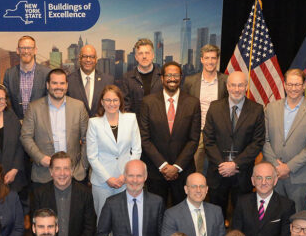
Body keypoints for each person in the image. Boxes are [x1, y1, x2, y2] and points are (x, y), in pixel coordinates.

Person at [138, 61, 201, 205]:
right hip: (156, 171)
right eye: (169, 75)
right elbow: (145, 138)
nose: (172, 78)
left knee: (183, 213)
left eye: (176, 75)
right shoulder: (148, 102)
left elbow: (193, 140)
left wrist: (177, 167)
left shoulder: (193, 103)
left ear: (181, 77)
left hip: (183, 170)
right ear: (162, 78)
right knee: (156, 214)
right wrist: (163, 166)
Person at [262, 69, 306, 212]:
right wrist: (276, 166)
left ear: (304, 86)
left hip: (299, 176)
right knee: (272, 216)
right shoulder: (271, 108)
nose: (293, 88)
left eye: (297, 85)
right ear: (284, 85)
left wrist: (288, 167)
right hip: (272, 173)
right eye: (290, 84)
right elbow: (264, 140)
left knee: (297, 218)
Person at [203, 71, 265, 213]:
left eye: (240, 85)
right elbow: (208, 140)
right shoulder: (214, 107)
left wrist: (235, 164)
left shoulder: (257, 110)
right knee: (216, 216)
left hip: (242, 174)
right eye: (233, 85)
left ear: (246, 87)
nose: (236, 89)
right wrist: (222, 165)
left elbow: (257, 142)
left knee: (242, 217)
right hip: (218, 172)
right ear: (227, 86)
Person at [21, 68, 89, 188]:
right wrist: (40, 158)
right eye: (54, 83)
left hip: (74, 173)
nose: (59, 86)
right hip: (44, 173)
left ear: (67, 85)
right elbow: (25, 137)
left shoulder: (78, 107)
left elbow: (87, 138)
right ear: (47, 85)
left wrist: (83, 166)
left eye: (62, 83)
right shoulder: (34, 108)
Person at [97, 160, 164, 236]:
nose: (134, 180)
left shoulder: (157, 203)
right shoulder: (112, 203)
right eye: (131, 176)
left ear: (145, 177)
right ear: (125, 177)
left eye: (139, 176)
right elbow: (102, 234)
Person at [30, 152, 95, 236]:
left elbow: (89, 228)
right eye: (57, 169)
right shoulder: (40, 194)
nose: (62, 173)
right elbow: (36, 228)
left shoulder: (85, 193)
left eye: (66, 168)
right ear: (51, 171)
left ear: (72, 170)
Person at [86, 85, 141, 218]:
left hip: (126, 180)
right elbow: (92, 156)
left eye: (115, 100)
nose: (112, 104)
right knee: (103, 219)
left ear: (120, 101)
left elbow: (137, 150)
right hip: (102, 182)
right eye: (108, 100)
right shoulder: (94, 123)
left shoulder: (131, 119)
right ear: (102, 102)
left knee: (124, 218)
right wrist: (108, 178)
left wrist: (125, 175)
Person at [231, 161, 296, 236]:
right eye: (259, 178)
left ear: (275, 180)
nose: (263, 182)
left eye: (268, 178)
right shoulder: (242, 202)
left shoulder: (287, 205)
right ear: (253, 181)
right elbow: (236, 235)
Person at [160, 172, 225, 236]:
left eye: (202, 186)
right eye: (194, 186)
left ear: (207, 189)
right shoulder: (172, 214)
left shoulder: (216, 212)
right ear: (186, 189)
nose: (198, 190)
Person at [181, 44, 228, 174]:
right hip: (198, 132)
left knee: (217, 170)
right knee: (196, 169)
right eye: (207, 58)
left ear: (217, 59)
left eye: (213, 58)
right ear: (201, 59)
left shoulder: (226, 81)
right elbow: (184, 107)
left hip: (218, 133)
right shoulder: (190, 81)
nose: (210, 61)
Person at [3, 35, 49, 119]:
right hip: (16, 125)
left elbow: (49, 101)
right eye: (23, 48)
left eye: (30, 48)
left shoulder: (47, 73)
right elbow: (6, 101)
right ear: (18, 50)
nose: (26, 51)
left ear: (35, 50)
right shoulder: (9, 74)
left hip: (40, 124)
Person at [67, 44, 114, 117]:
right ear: (79, 58)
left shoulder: (107, 81)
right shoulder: (69, 81)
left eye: (92, 57)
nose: (88, 60)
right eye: (85, 56)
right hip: (76, 127)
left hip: (100, 127)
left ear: (96, 59)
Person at [120, 38, 163, 114]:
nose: (144, 56)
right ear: (136, 57)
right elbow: (125, 105)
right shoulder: (127, 78)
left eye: (147, 53)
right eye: (140, 53)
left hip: (159, 124)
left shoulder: (162, 75)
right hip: (136, 123)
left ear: (153, 55)